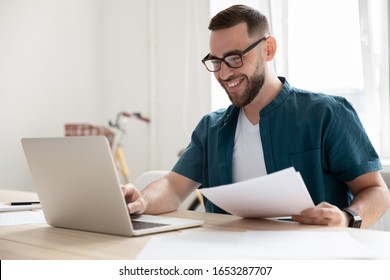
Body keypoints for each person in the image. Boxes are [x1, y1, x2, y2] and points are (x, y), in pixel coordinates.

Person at [123, 4, 390, 228]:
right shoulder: (211, 128)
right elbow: (173, 187)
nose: (224, 73)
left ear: (268, 49)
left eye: (234, 58)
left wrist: (346, 218)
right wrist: (142, 202)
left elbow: (377, 191)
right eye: (216, 61)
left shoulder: (327, 113)